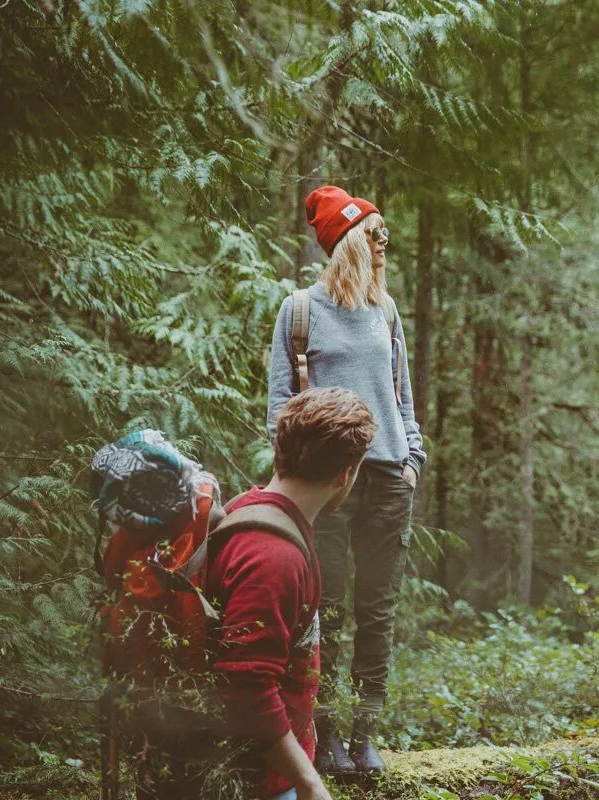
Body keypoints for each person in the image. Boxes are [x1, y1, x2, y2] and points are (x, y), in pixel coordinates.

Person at [136, 387, 377, 800]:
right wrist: (309, 782)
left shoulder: (252, 507)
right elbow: (246, 688)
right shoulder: (274, 557)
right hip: (253, 783)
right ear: (345, 475)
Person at [266, 185, 426, 776]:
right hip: (325, 487)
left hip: (387, 479)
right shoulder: (301, 312)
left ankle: (365, 735)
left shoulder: (387, 312)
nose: (385, 242)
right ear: (349, 242)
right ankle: (325, 733)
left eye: (385, 231)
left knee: (376, 609)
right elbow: (281, 406)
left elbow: (402, 397)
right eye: (375, 232)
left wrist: (412, 459)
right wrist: (299, 482)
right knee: (323, 609)